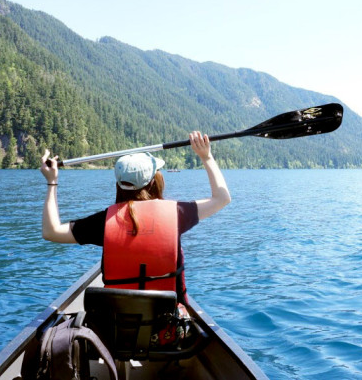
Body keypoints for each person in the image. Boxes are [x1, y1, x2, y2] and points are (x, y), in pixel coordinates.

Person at [39, 131, 231, 308]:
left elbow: (51, 231)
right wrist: (207, 157)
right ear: (153, 181)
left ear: (119, 183)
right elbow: (222, 198)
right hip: (168, 331)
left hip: (115, 331)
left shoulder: (104, 222)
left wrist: (52, 182)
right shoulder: (177, 213)